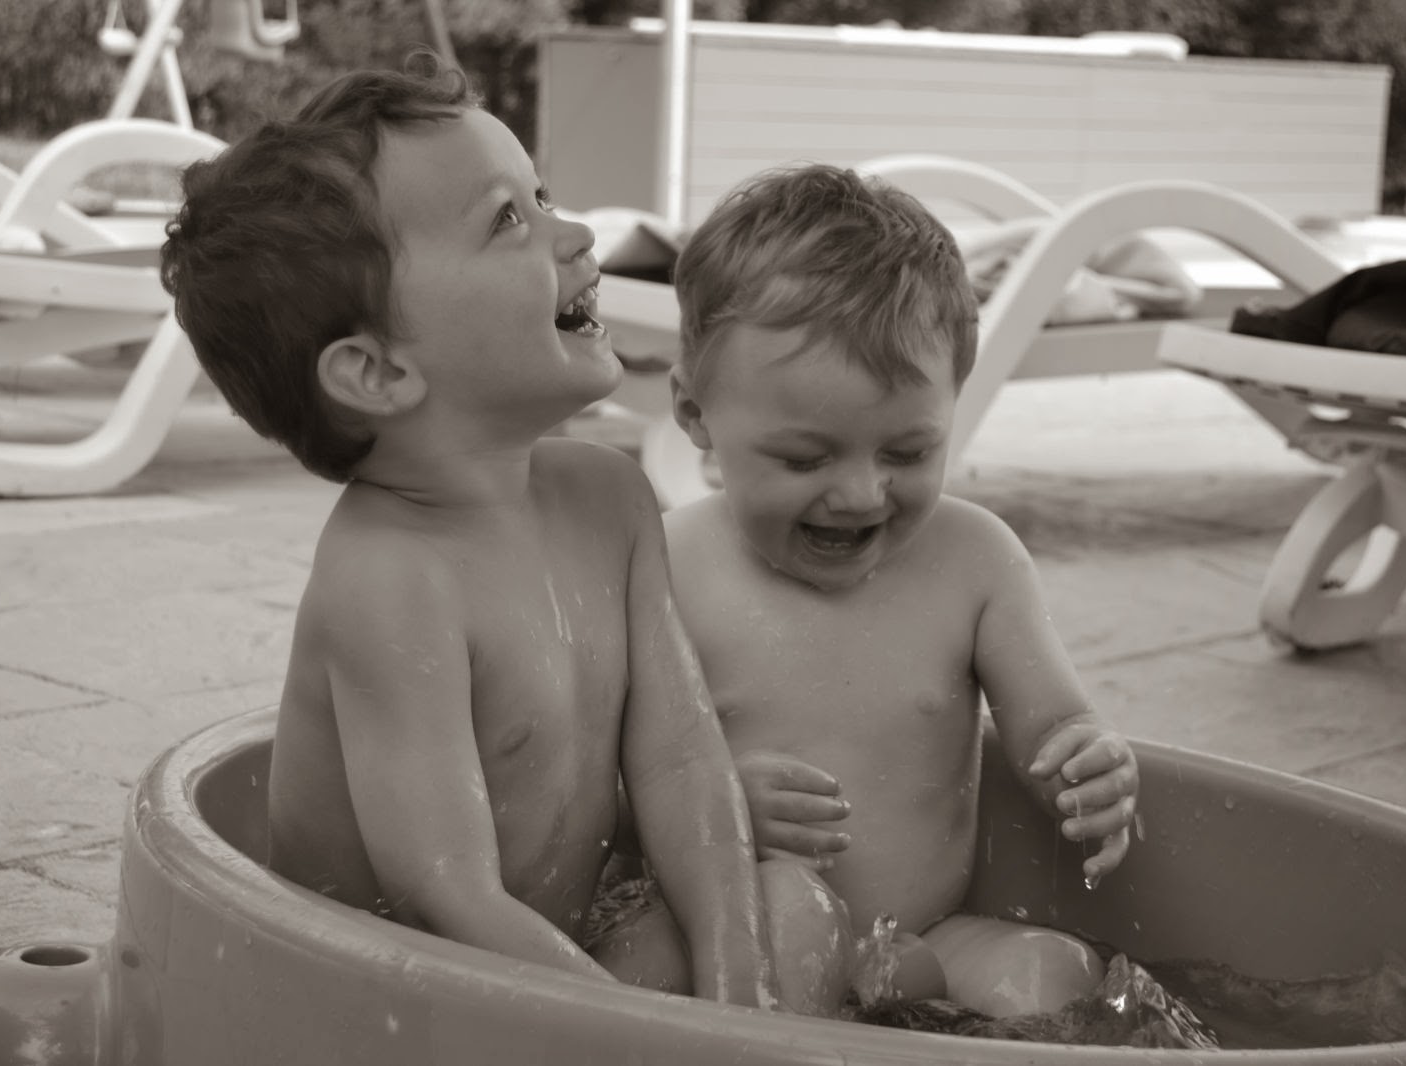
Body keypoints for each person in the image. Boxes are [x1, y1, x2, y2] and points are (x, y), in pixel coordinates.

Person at [158, 59, 851, 1014]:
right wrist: (644, 1035)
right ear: (378, 372)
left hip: (552, 962)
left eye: (544, 197)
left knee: (794, 914)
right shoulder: (391, 580)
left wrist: (743, 995)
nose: (578, 235)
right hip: (387, 1006)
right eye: (507, 221)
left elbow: (682, 765)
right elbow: (444, 896)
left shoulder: (611, 501)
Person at [662, 163, 1142, 1016]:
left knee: (1056, 978)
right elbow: (597, 786)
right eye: (804, 458)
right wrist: (710, 802)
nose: (860, 494)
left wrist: (1089, 769)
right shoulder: (670, 569)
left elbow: (1052, 729)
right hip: (736, 930)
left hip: (928, 934)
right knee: (776, 923)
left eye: (907, 452)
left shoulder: (976, 561)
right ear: (696, 414)